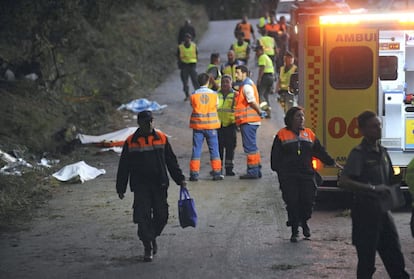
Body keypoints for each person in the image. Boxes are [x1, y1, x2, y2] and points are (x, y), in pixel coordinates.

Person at [338, 110, 410, 278]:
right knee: (367, 263)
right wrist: (372, 188)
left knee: (395, 258)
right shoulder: (359, 154)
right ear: (362, 130)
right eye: (373, 126)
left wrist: (402, 176)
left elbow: (391, 179)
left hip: (384, 213)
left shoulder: (383, 152)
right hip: (365, 215)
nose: (378, 129)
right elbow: (344, 181)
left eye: (379, 125)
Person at [116, 110, 187, 262]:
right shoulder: (131, 142)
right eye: (145, 122)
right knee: (142, 217)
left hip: (159, 184)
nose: (149, 124)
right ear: (139, 123)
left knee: (162, 216)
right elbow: (124, 167)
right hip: (141, 186)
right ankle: (147, 246)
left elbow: (171, 161)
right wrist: (120, 187)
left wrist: (180, 179)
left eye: (150, 121)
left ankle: (151, 236)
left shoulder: (161, 138)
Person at [271, 106, 339, 243]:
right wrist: (281, 172)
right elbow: (275, 158)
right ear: (290, 119)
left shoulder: (309, 134)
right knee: (292, 202)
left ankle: (304, 220)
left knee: (307, 201)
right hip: (289, 176)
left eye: (302, 116)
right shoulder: (281, 135)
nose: (301, 119)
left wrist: (332, 162)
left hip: (306, 175)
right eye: (298, 116)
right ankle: (295, 230)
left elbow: (319, 151)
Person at [189, 73, 223, 181]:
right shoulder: (214, 94)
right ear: (208, 81)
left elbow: (192, 106)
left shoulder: (194, 95)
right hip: (211, 126)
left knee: (196, 149)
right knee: (214, 150)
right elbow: (217, 106)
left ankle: (194, 174)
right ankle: (217, 173)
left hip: (198, 126)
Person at [234, 65, 262, 179]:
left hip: (248, 120)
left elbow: (251, 101)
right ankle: (256, 169)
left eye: (238, 73)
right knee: (253, 147)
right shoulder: (247, 84)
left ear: (244, 73)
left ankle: (252, 171)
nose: (236, 75)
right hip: (251, 120)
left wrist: (260, 111)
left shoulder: (246, 86)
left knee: (250, 148)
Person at [217, 75, 237, 176]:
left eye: (227, 82)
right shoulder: (216, 95)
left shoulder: (235, 95)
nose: (224, 84)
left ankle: (229, 169)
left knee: (230, 148)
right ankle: (218, 169)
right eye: (223, 82)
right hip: (218, 126)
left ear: (231, 83)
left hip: (230, 125)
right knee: (218, 148)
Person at [177, 33, 199, 101]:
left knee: (195, 81)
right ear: (184, 39)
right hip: (184, 66)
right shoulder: (180, 47)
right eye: (186, 38)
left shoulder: (194, 46)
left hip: (192, 65)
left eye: (188, 38)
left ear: (190, 39)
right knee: (185, 82)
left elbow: (196, 54)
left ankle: (198, 94)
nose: (187, 40)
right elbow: (178, 56)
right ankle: (187, 95)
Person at [255, 45, 274, 119]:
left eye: (257, 52)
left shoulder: (262, 57)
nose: (256, 54)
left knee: (260, 95)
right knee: (266, 95)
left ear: (261, 51)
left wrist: (259, 79)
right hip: (270, 77)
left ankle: (264, 112)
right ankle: (268, 112)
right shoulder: (267, 57)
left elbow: (262, 68)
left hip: (265, 77)